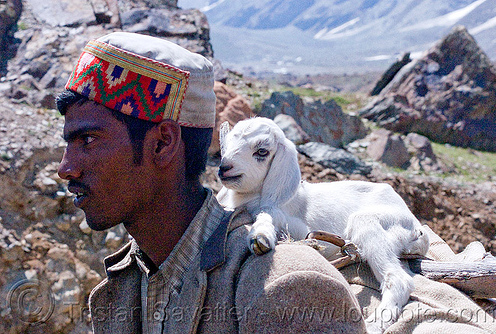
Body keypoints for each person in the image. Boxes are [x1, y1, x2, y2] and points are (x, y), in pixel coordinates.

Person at [56, 32, 366, 333]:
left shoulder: (286, 286)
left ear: (163, 143)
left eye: (87, 139)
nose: (65, 168)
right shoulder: (117, 292)